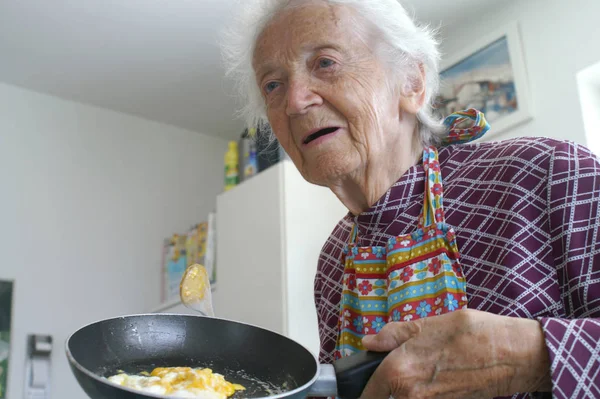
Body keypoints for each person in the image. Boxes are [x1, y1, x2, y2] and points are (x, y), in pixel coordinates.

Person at [221, 1, 600, 398]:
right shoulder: (334, 260)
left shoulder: (549, 172)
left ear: (412, 83)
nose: (296, 101)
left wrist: (525, 356)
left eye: (325, 62)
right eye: (272, 85)